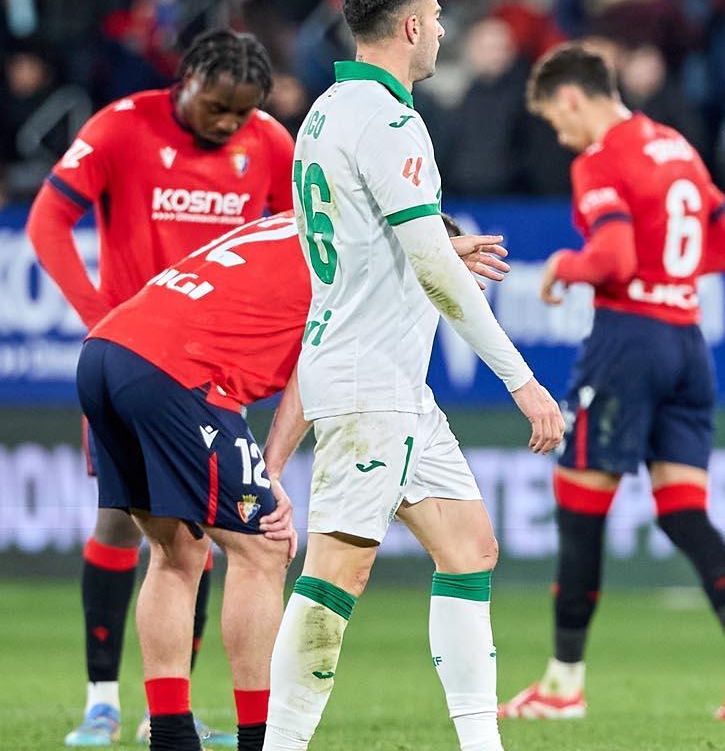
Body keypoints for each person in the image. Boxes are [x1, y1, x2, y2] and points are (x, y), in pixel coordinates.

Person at [263, 0, 565, 751]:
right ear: (408, 28)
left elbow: (384, 240)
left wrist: (436, 244)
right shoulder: (393, 122)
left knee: (470, 546)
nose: (442, 30)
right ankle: (281, 746)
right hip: (371, 383)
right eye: (435, 18)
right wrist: (523, 381)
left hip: (384, 377)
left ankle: (481, 745)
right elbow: (434, 273)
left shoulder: (326, 112)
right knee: (335, 573)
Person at [77, 210, 510, 751]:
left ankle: (170, 734)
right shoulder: (369, 262)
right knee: (264, 548)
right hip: (176, 370)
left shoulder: (310, 220)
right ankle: (261, 739)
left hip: (106, 350)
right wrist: (272, 469)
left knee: (175, 552)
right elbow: (316, 370)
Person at [28, 28, 292, 750]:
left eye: (242, 113)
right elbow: (48, 222)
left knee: (192, 538)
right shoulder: (121, 125)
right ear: (186, 81)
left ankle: (163, 713)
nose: (228, 124)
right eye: (217, 107)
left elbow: (299, 230)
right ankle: (102, 701)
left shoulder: (270, 143)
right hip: (139, 350)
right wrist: (94, 312)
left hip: (211, 363)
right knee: (128, 526)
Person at [506, 42, 725, 722]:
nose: (559, 135)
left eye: (555, 119)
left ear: (572, 97)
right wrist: (668, 275)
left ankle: (563, 684)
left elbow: (612, 255)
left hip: (628, 341)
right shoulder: (676, 147)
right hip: (688, 341)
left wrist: (565, 264)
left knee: (579, 511)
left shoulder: (600, 159)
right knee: (684, 510)